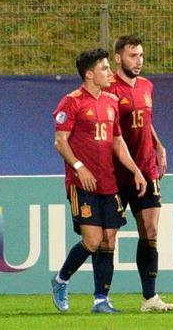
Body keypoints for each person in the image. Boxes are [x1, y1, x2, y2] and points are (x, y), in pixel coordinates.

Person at [50, 48, 148, 314]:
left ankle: (101, 300)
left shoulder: (111, 101)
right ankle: (61, 280)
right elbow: (60, 141)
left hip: (108, 181)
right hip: (82, 183)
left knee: (109, 239)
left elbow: (117, 141)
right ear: (90, 74)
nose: (109, 73)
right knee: (92, 240)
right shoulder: (70, 102)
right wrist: (79, 166)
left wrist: (135, 169)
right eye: (104, 68)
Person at [108, 35, 173, 312]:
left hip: (146, 169)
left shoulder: (147, 86)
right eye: (132, 56)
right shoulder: (108, 87)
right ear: (118, 58)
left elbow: (145, 122)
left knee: (150, 229)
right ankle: (102, 296)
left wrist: (158, 145)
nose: (138, 61)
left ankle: (150, 297)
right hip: (116, 171)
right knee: (106, 238)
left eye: (141, 56)